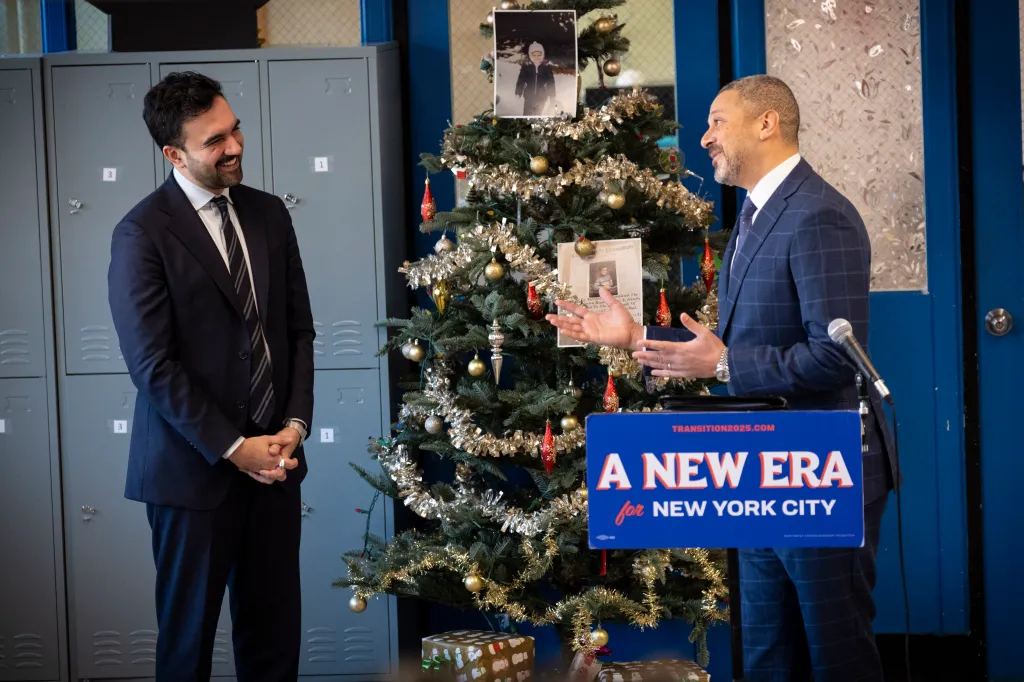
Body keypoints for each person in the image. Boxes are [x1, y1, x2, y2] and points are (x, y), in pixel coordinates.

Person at [546, 74, 897, 681]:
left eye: (716, 121)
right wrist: (635, 339)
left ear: (768, 123)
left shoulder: (820, 216)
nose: (704, 137)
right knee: (765, 655)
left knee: (835, 655)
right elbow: (732, 348)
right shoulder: (755, 216)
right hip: (764, 476)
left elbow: (839, 357)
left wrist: (727, 364)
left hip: (822, 475)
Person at [107, 71, 315, 681]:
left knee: (274, 641)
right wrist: (234, 447)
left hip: (276, 464)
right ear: (173, 153)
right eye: (213, 141)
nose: (234, 147)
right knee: (186, 645)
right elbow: (152, 364)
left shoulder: (269, 214)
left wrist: (294, 425)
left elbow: (298, 331)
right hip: (191, 472)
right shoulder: (141, 233)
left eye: (235, 129)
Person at [515, 41, 555, 116]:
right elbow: (521, 80)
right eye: (534, 55)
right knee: (527, 113)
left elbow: (550, 81)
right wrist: (518, 92)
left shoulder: (546, 67)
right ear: (530, 56)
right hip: (529, 96)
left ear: (542, 55)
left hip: (542, 96)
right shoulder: (526, 67)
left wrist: (552, 94)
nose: (537, 57)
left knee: (538, 114)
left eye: (539, 55)